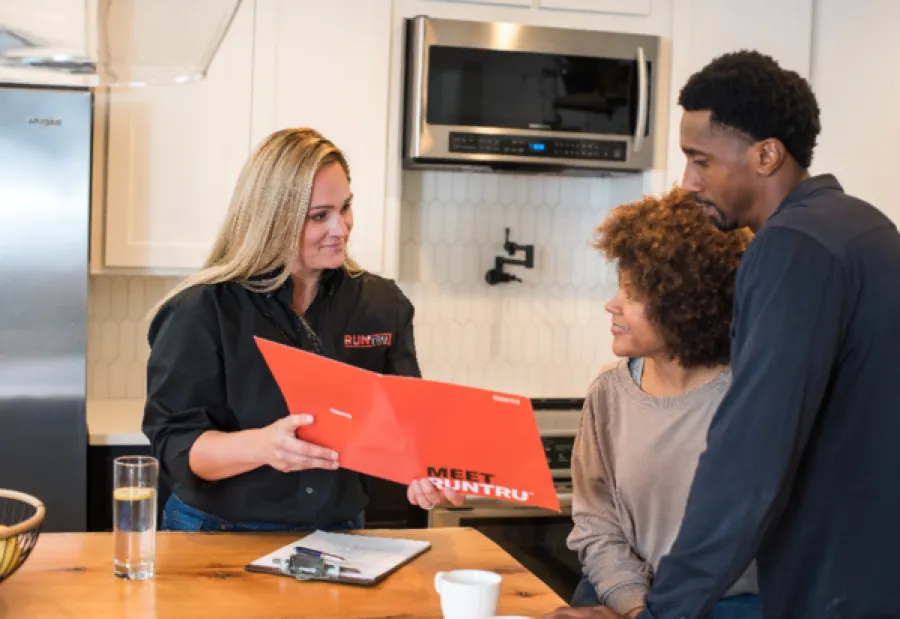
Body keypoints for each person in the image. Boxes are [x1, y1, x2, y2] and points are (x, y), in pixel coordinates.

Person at [548, 50, 900, 619]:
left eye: (700, 160)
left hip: (834, 588)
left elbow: (749, 460)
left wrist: (663, 612)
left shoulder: (789, 248)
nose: (688, 183)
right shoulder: (864, 227)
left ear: (766, 155)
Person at [142, 127, 462, 532]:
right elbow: (174, 446)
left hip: (340, 532)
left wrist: (427, 472)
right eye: (318, 216)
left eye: (345, 207)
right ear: (271, 219)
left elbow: (407, 423)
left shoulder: (381, 305)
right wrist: (262, 446)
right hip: (217, 533)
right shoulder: (202, 310)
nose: (341, 229)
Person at [558, 189, 757, 619]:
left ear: (686, 303)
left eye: (631, 293)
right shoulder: (609, 394)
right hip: (621, 598)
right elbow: (596, 524)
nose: (611, 304)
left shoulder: (751, 399)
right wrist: (633, 608)